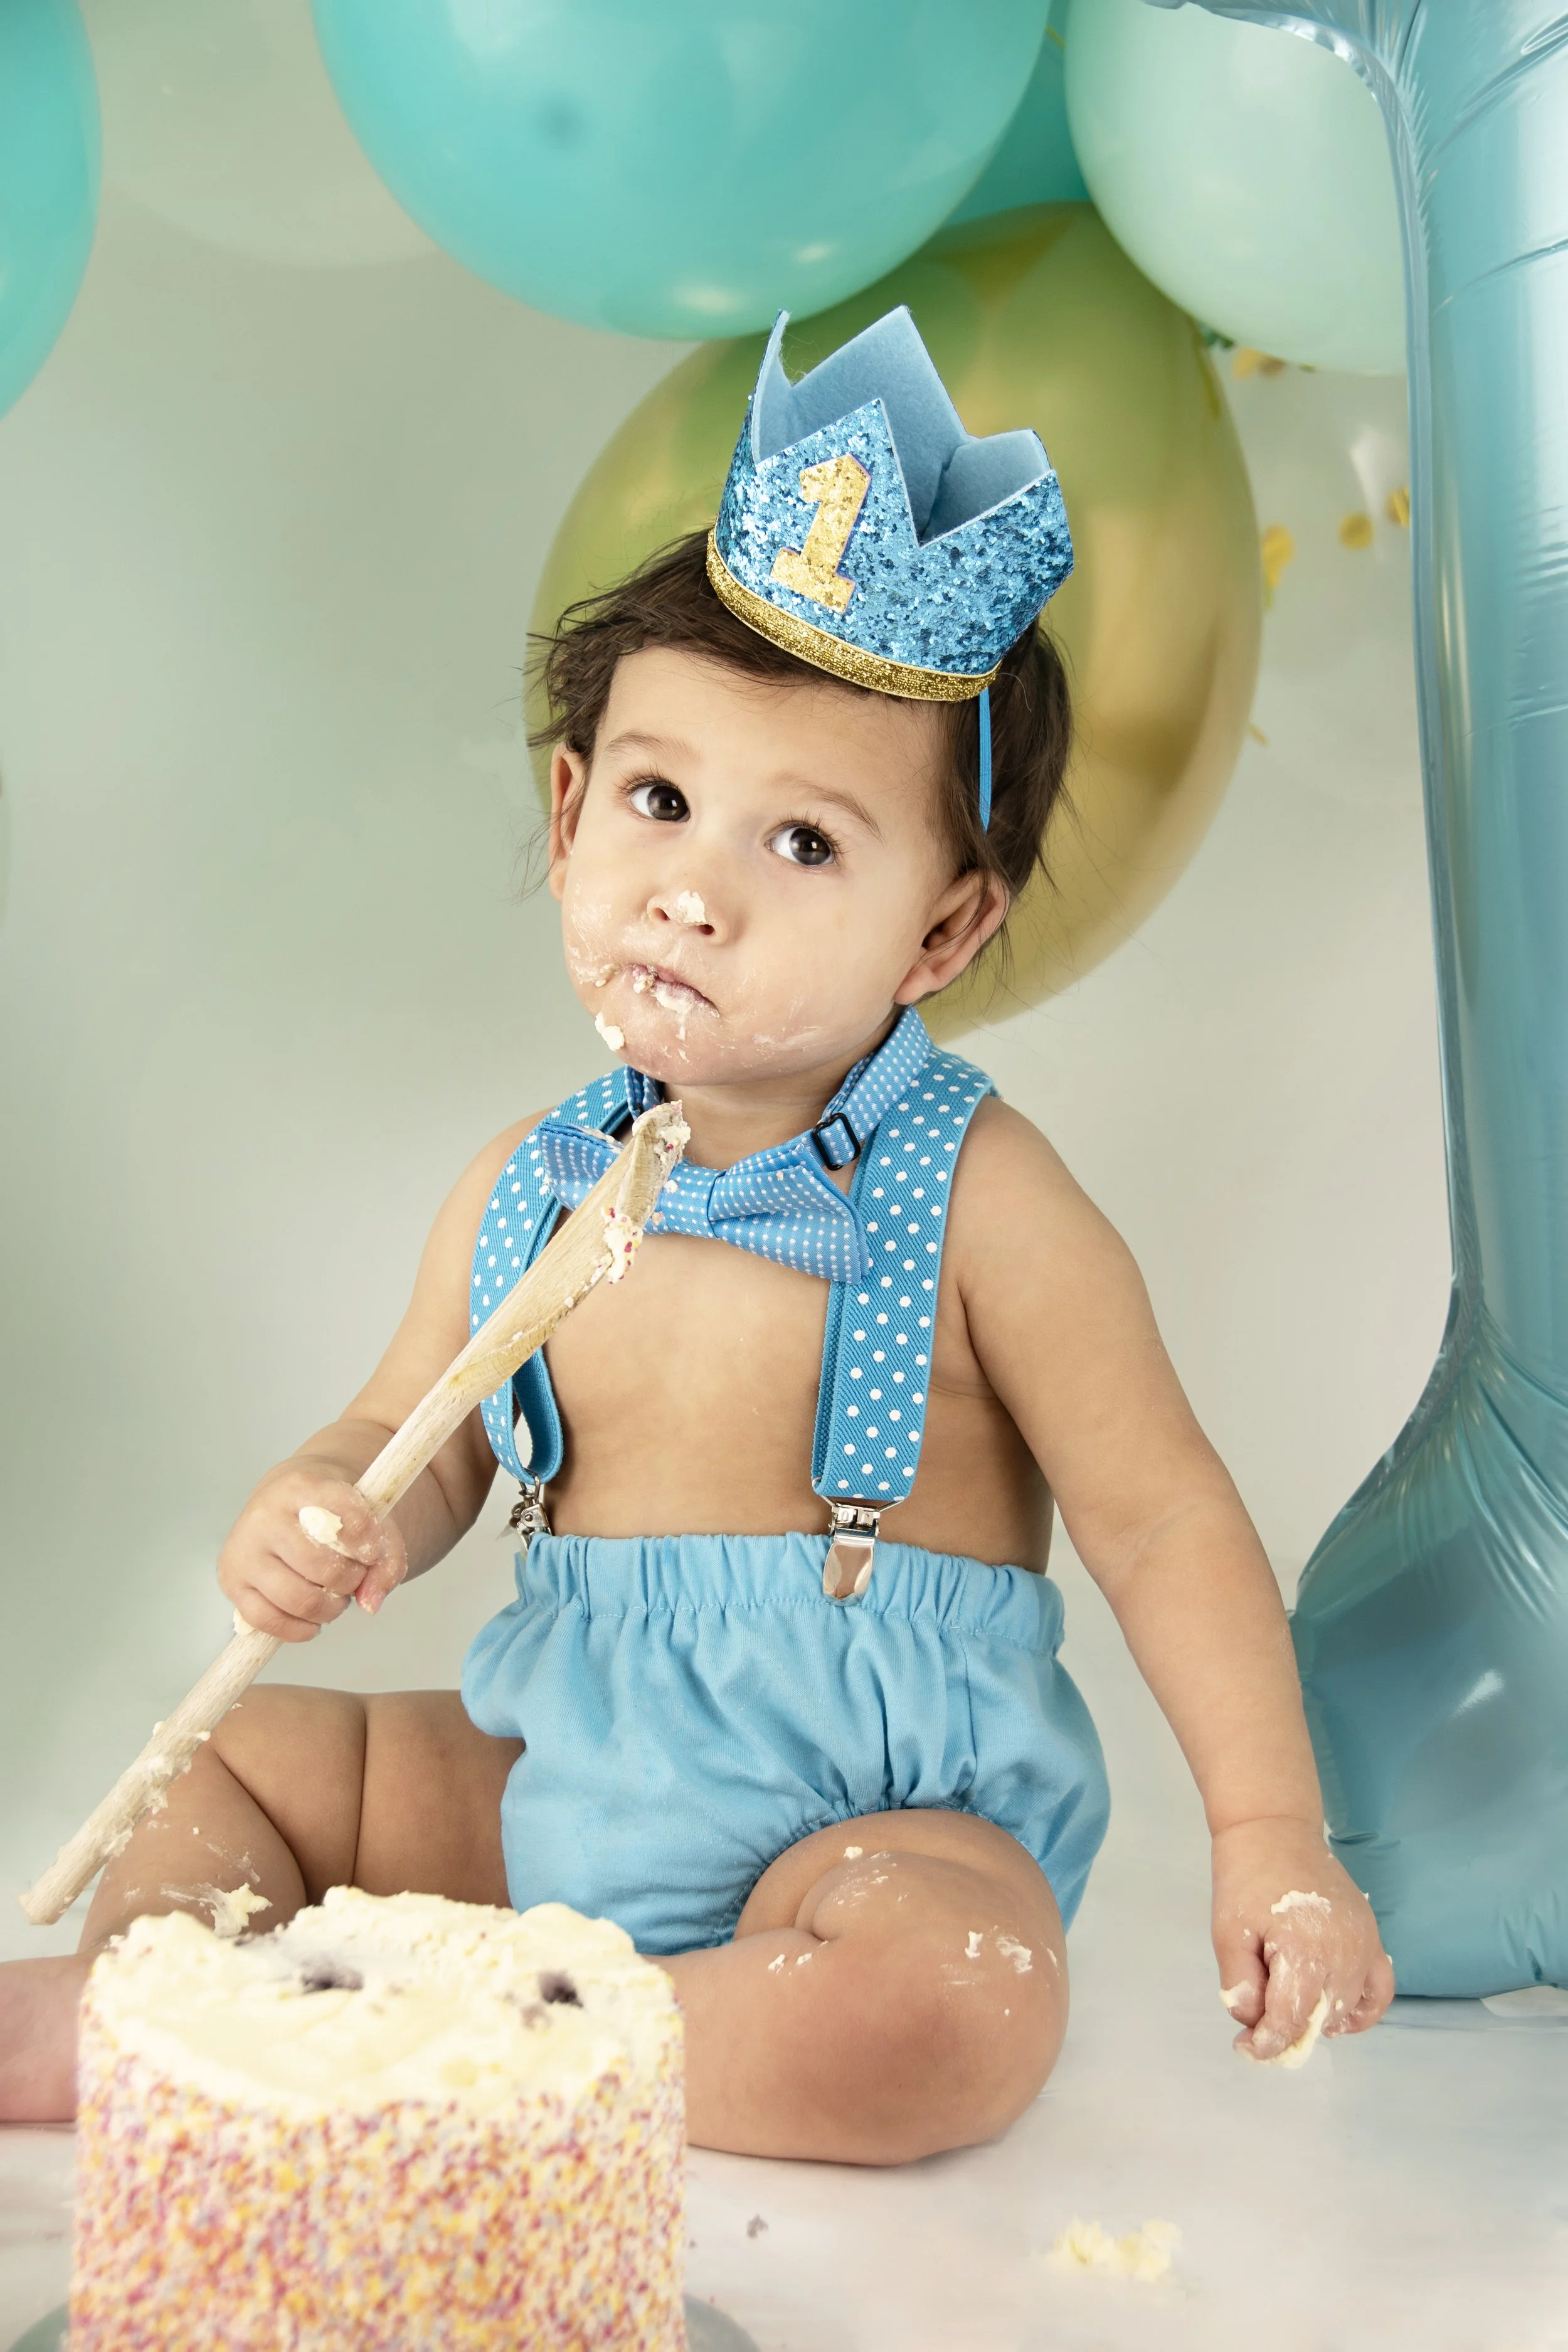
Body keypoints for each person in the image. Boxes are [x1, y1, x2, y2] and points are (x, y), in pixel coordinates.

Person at [0, 307, 1392, 2161]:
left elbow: (1157, 1517)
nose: (696, 887)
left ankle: (468, 2050)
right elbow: (413, 1446)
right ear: (570, 812)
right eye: (659, 800)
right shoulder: (532, 1185)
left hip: (854, 1838)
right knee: (236, 1762)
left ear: (942, 935)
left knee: (962, 1989)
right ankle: (203, 2025)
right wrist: (326, 1509)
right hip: (555, 1784)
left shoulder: (982, 1199)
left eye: (802, 843)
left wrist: (1269, 1838)